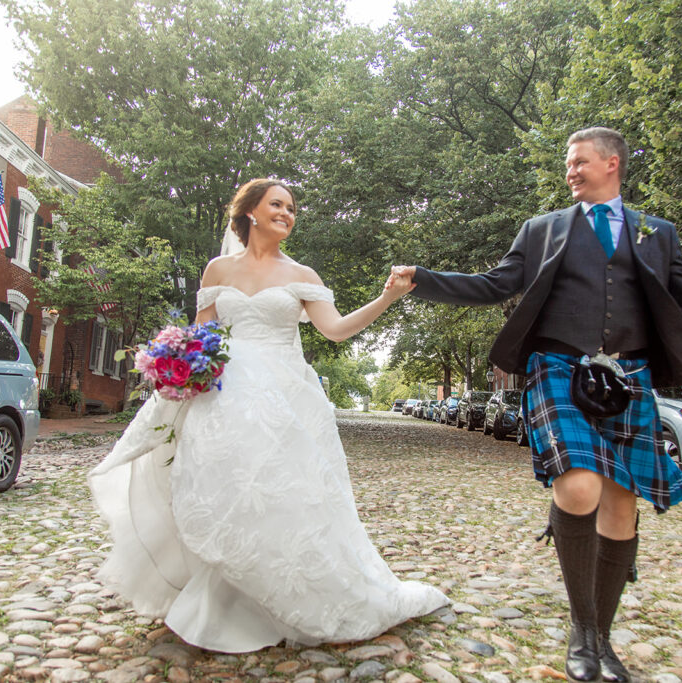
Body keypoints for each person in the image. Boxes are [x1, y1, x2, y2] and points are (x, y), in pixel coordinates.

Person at [389, 127, 682, 682]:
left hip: (630, 375)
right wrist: (424, 280)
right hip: (558, 368)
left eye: (579, 162)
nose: (570, 171)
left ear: (612, 163)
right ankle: (581, 627)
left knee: (621, 506)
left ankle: (602, 634)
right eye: (567, 164)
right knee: (579, 486)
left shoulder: (656, 232)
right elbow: (494, 284)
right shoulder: (542, 229)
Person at [90, 178, 448, 653]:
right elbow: (204, 336)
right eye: (277, 204)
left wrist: (387, 298)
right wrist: (174, 362)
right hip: (224, 397)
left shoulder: (304, 275)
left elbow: (336, 331)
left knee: (283, 493)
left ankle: (289, 597)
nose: (287, 213)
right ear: (251, 212)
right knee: (226, 489)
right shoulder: (217, 270)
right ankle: (223, 602)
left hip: (284, 398)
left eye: (292, 208)